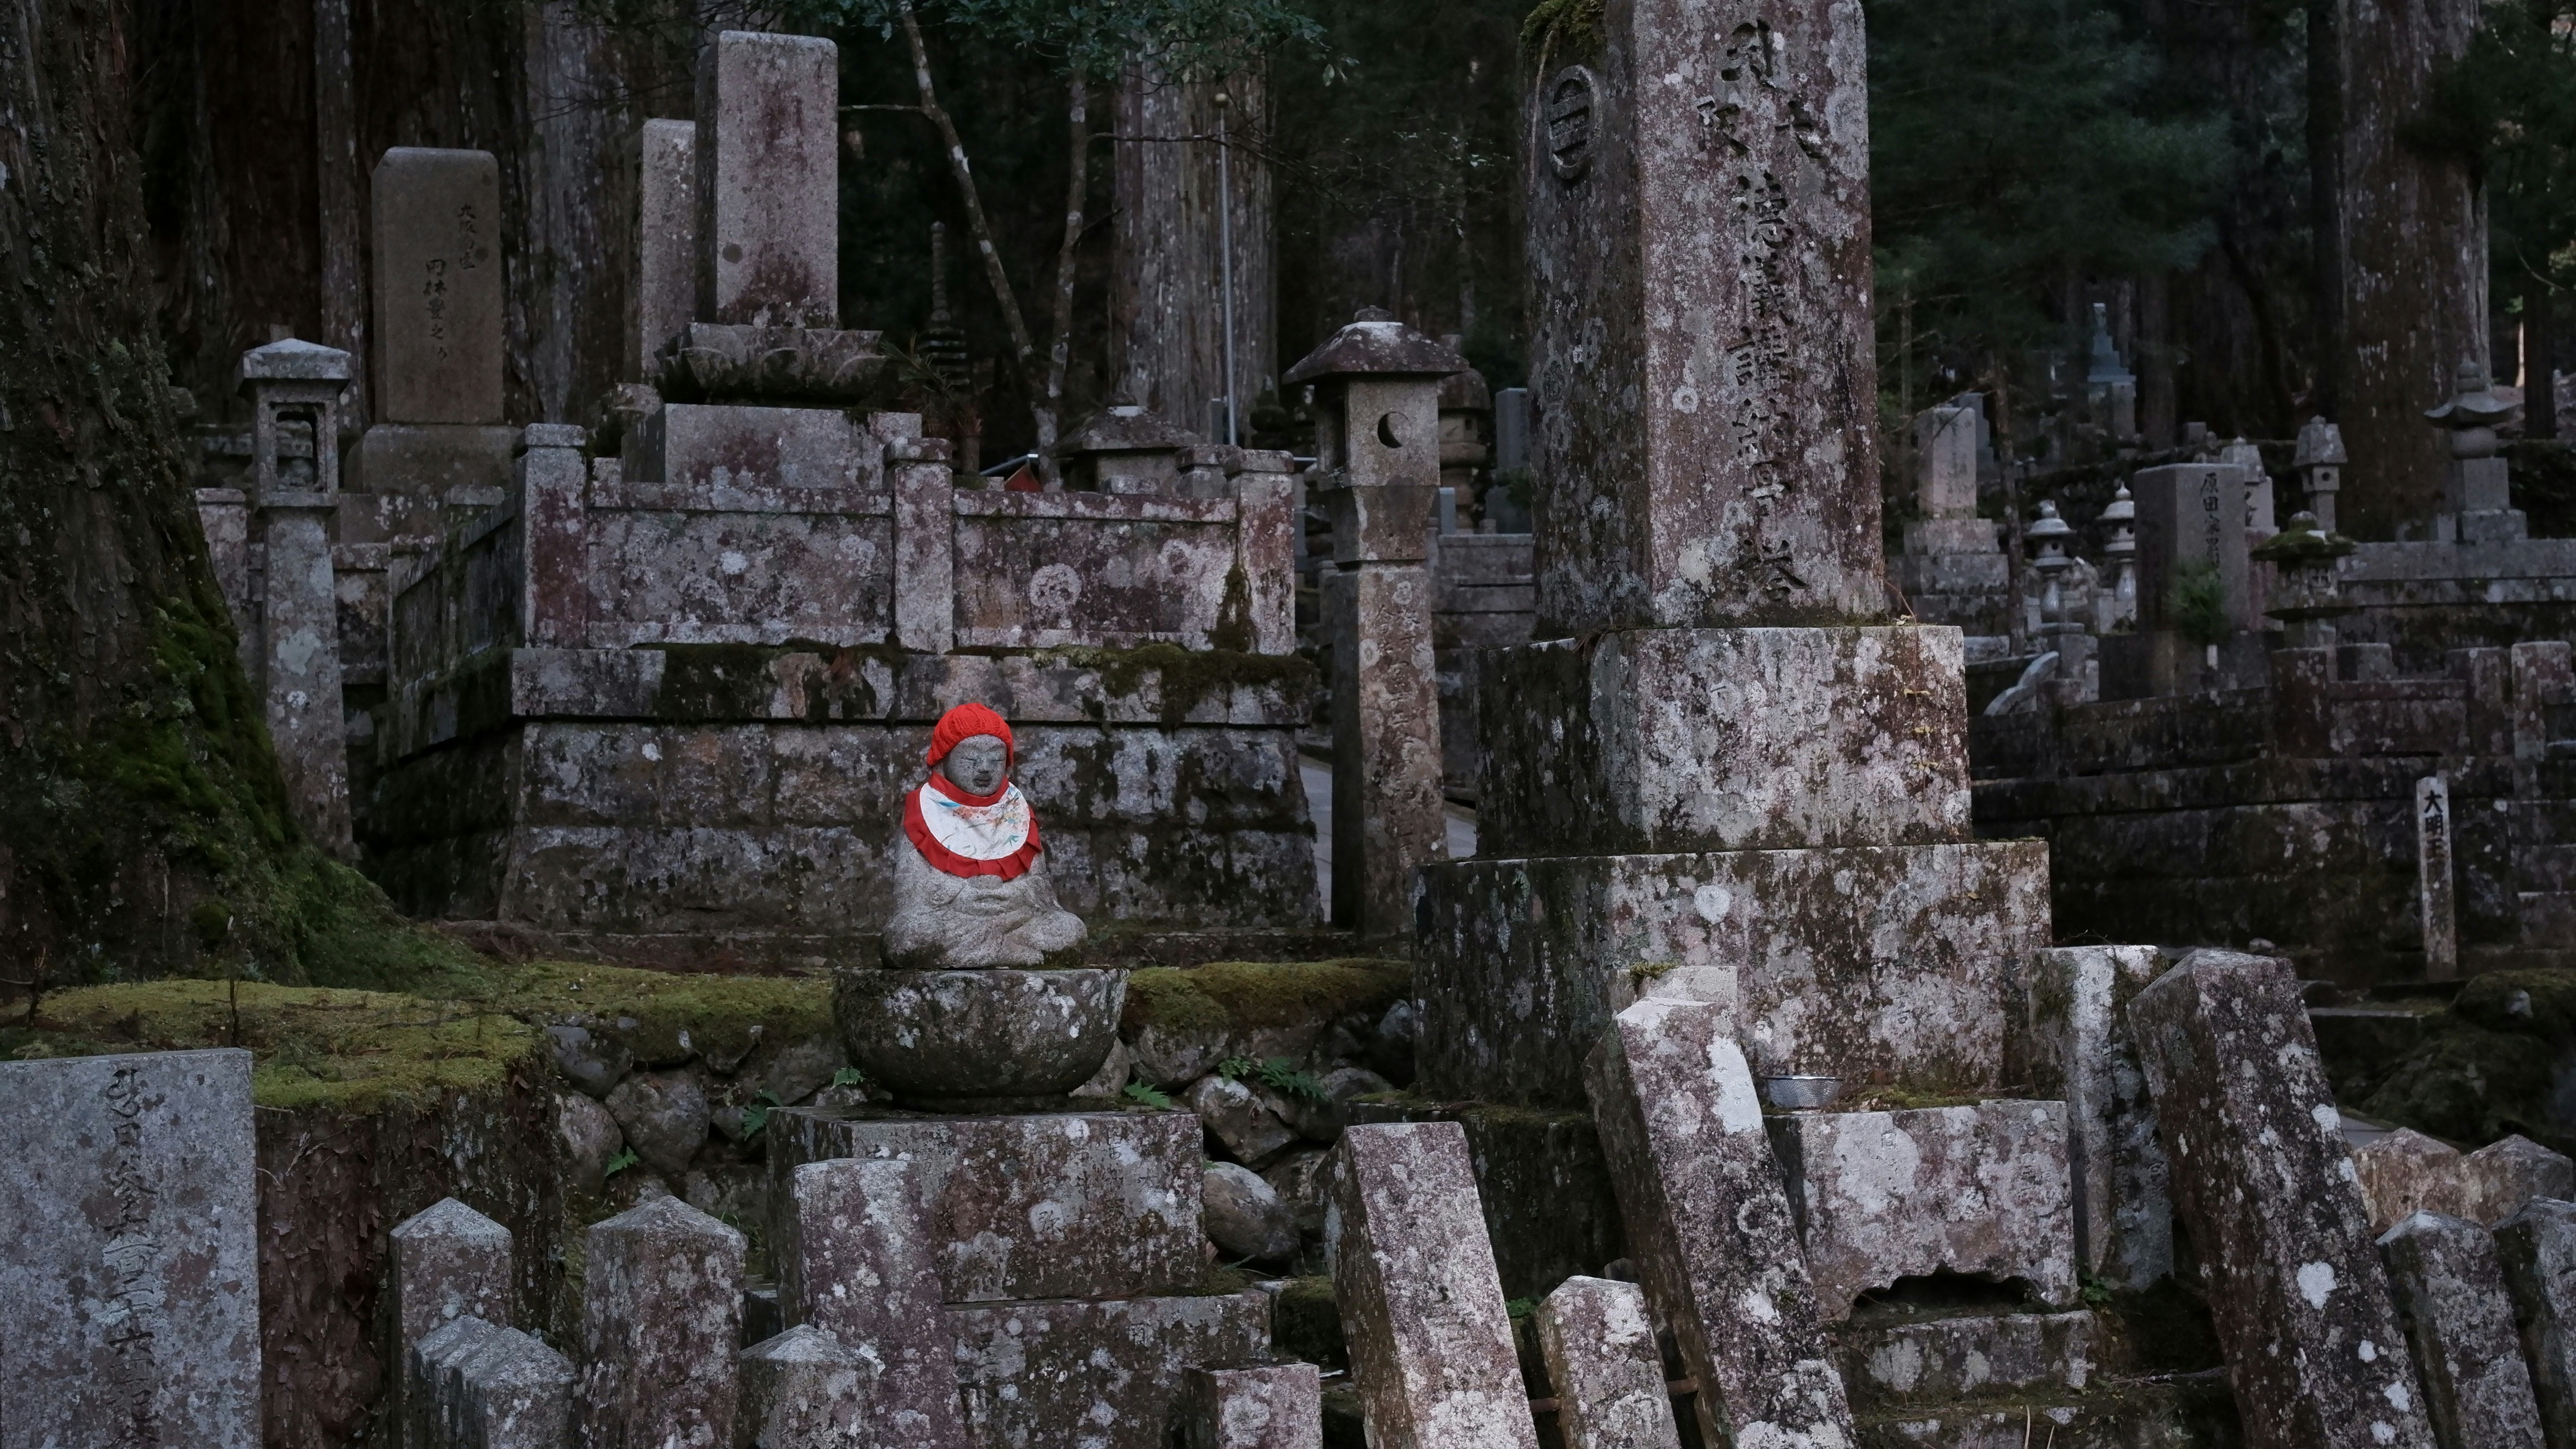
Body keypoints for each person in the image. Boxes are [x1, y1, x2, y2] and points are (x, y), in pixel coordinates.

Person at [882, 702, 1086, 968]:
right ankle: (1009, 952)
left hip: (1013, 917)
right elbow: (911, 894)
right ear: (945, 759)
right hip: (953, 919)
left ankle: (981, 952)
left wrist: (1014, 894)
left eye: (996, 759)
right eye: (970, 758)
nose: (985, 768)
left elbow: (1041, 889)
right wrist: (963, 895)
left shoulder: (1016, 810)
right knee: (909, 936)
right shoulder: (923, 810)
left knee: (1069, 930)